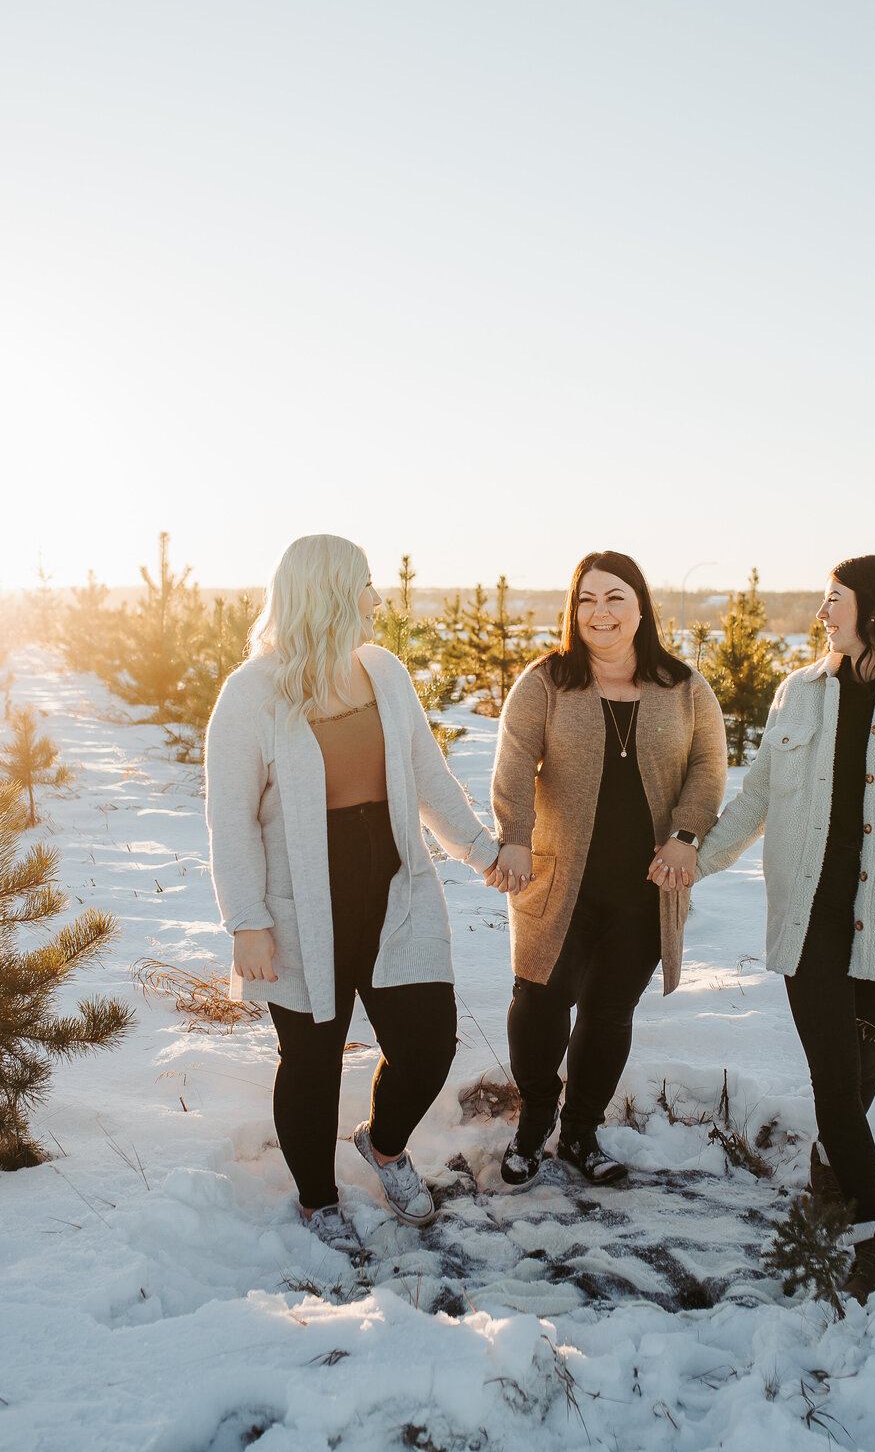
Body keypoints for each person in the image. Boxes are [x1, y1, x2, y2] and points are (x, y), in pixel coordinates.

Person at [695, 553, 875, 1302]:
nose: (822, 612)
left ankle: (832, 1181)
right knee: (834, 1077)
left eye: (835, 598)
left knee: (857, 1078)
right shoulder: (797, 692)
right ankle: (870, 1240)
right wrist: (696, 859)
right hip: (809, 917)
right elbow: (758, 792)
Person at [205, 535, 497, 1252]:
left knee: (428, 1044)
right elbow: (230, 816)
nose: (376, 598)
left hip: (396, 886)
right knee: (311, 1061)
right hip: (302, 902)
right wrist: (247, 921)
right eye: (366, 585)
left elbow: (427, 776)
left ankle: (385, 1145)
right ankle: (316, 1201)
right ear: (330, 593)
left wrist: (481, 850)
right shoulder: (252, 693)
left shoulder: (383, 672)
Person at [488, 550, 728, 1185]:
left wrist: (685, 835)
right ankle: (534, 1123)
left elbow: (708, 766)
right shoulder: (546, 682)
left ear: (640, 607)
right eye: (587, 599)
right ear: (574, 611)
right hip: (559, 881)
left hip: (645, 888)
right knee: (538, 1005)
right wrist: (513, 836)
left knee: (609, 1012)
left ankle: (581, 1135)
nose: (601, 612)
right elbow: (514, 761)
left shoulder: (683, 688)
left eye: (615, 597)